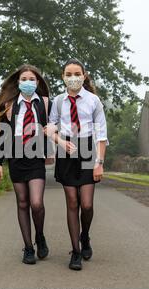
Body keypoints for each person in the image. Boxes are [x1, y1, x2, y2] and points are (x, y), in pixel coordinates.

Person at [46, 59, 108, 271]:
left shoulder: (93, 101)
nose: (73, 78)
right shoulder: (58, 101)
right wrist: (61, 141)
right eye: (68, 74)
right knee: (72, 202)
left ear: (84, 75)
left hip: (89, 150)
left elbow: (102, 135)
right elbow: (50, 127)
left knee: (87, 204)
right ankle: (76, 251)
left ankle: (85, 236)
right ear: (63, 76)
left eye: (76, 73)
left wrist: (99, 163)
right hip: (66, 151)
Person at [0, 64, 52, 265]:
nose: (28, 82)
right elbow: (2, 135)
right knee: (23, 203)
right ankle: (28, 247)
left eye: (31, 79)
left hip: (35, 158)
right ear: (18, 82)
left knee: (36, 203)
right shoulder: (9, 106)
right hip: (16, 158)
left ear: (37, 82)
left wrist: (51, 143)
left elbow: (52, 126)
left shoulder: (43, 102)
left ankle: (40, 236)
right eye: (24, 79)